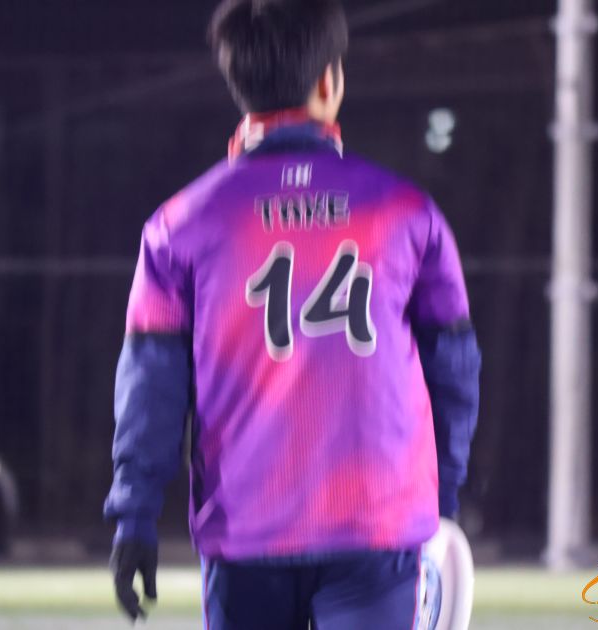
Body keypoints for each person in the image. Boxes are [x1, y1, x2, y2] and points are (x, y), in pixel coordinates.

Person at [104, 0, 481, 627]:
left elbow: (151, 385)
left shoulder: (178, 225)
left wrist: (135, 514)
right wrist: (441, 491)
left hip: (245, 526)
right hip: (377, 520)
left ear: (238, 86)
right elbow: (455, 366)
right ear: (329, 81)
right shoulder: (407, 212)